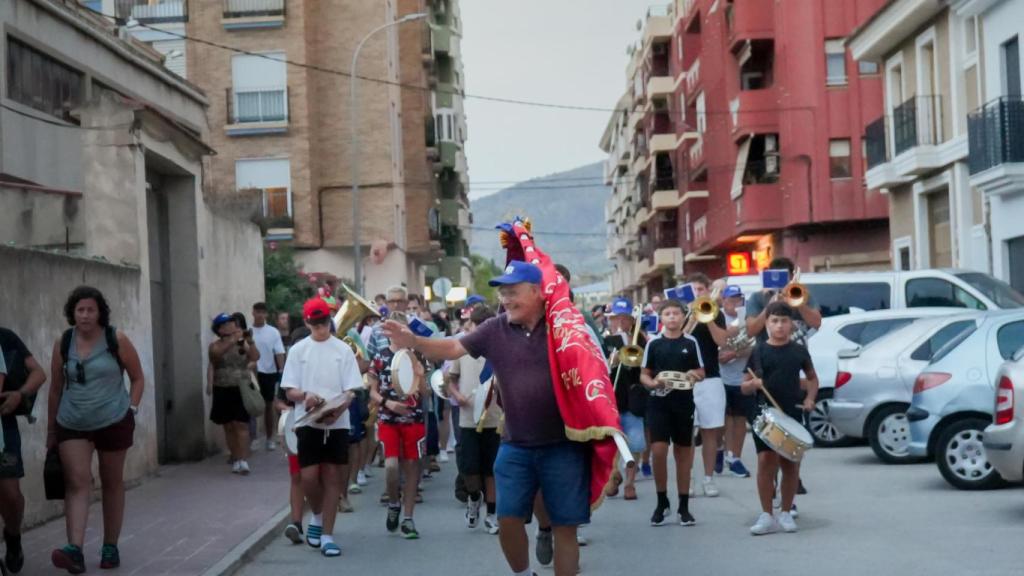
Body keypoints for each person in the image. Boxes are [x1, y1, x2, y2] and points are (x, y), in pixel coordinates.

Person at [383, 261, 590, 576]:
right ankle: (523, 573)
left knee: (565, 527)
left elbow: (594, 379)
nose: (505, 299)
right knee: (507, 519)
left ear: (536, 292)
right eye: (503, 293)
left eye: (513, 292)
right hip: (516, 444)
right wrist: (415, 342)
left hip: (564, 446)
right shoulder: (495, 328)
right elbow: (453, 347)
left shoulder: (565, 328)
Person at [48, 286, 145, 573]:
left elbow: (137, 378)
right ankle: (74, 549)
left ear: (100, 312)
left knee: (112, 482)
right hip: (72, 422)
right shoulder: (63, 342)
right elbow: (55, 389)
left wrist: (132, 408)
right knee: (77, 482)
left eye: (91, 309)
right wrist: (51, 431)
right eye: (80, 310)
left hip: (113, 419)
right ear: (72, 313)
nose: (86, 315)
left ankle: (110, 546)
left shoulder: (117, 339)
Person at [280, 297, 362, 557]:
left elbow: (351, 389)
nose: (320, 328)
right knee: (308, 477)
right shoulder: (298, 350)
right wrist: (305, 396)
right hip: (307, 421)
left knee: (332, 477)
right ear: (307, 322)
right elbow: (289, 389)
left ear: (329, 320)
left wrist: (338, 408)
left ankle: (327, 535)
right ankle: (316, 515)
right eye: (315, 324)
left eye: (324, 322)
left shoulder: (343, 349)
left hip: (337, 422)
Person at [742, 301, 819, 535]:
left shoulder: (798, 351)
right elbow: (743, 387)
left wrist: (810, 399)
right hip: (764, 413)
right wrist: (752, 384)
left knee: (790, 464)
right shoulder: (758, 351)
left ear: (792, 324)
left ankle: (786, 513)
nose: (779, 326)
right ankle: (766, 515)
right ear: (766, 324)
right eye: (774, 321)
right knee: (766, 462)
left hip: (791, 412)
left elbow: (813, 379)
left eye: (784, 321)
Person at [639, 299, 705, 527]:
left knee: (683, 454)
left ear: (683, 317)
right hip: (658, 403)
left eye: (676, 313)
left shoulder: (691, 342)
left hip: (684, 403)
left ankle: (684, 506)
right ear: (661, 318)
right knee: (658, 450)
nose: (672, 318)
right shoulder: (654, 343)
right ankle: (661, 500)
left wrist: (694, 375)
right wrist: (653, 383)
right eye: (667, 314)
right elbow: (644, 374)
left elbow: (701, 371)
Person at [369, 308, 428, 540]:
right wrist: (388, 403)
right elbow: (371, 392)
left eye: (401, 329)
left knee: (412, 468)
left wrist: (421, 375)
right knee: (392, 467)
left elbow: (425, 392)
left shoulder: (417, 355)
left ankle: (408, 518)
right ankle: (394, 503)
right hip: (388, 419)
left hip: (413, 419)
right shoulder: (380, 357)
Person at [447, 305, 501, 535]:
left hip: (494, 418)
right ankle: (473, 497)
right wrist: (457, 395)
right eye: (477, 327)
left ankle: (491, 515)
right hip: (468, 418)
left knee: (491, 470)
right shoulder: (464, 349)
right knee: (469, 468)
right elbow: (449, 378)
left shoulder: (500, 349)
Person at [0, 326, 47, 574]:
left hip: (2, 424)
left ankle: (13, 535)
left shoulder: (5, 338)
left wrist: (20, 394)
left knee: (9, 493)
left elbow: (39, 373)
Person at [681, 273, 729, 498]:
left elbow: (722, 342)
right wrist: (691, 316)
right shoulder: (682, 314)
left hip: (710, 378)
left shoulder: (715, 313)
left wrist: (707, 317)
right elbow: (680, 337)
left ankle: (708, 479)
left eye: (700, 289)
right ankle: (687, 479)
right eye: (693, 290)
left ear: (708, 291)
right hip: (686, 380)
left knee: (711, 432)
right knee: (687, 433)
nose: (697, 294)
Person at [602, 298, 648, 501]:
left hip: (633, 396)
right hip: (611, 397)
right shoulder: (604, 340)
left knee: (635, 441)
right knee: (611, 441)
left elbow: (647, 364)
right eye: (616, 318)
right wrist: (612, 360)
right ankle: (613, 474)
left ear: (631, 320)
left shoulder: (640, 339)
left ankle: (630, 482)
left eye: (624, 318)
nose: (619, 322)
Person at [207, 313, 259, 475]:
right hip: (222, 387)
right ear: (220, 329)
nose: (233, 325)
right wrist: (232, 339)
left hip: (241, 387)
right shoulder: (216, 345)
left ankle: (243, 460)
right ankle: (235, 457)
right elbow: (215, 356)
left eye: (232, 323)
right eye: (228, 324)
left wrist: (249, 341)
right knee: (228, 425)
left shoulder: (241, 343)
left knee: (241, 424)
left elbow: (255, 356)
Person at [719, 286, 753, 477]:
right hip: (721, 376)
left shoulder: (748, 317)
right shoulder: (717, 317)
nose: (735, 303)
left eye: (738, 299)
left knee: (739, 419)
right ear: (723, 301)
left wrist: (735, 353)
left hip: (741, 375)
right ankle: (720, 450)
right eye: (731, 300)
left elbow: (754, 344)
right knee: (723, 422)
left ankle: (735, 458)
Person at [252, 302, 286, 451]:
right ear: (252, 312)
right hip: (252, 373)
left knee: (268, 405)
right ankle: (252, 438)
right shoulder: (248, 331)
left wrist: (282, 371)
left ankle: (269, 437)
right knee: (250, 405)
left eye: (262, 312)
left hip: (269, 372)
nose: (259, 314)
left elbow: (279, 352)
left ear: (266, 315)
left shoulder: (273, 332)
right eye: (257, 311)